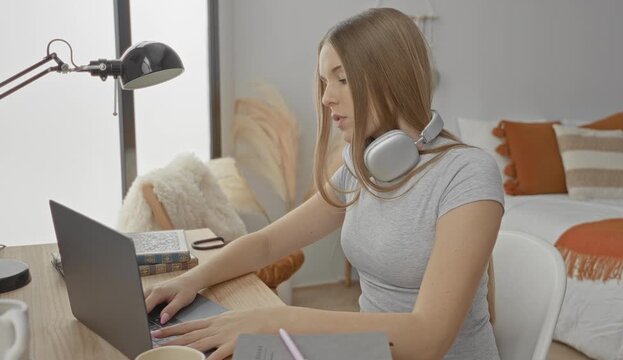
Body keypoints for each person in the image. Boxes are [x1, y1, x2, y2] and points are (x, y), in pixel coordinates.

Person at [145, 7, 504, 360]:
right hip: (367, 352)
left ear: (391, 78)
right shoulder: (363, 166)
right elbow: (269, 242)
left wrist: (280, 321)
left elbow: (428, 340)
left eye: (342, 79)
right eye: (324, 81)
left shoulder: (467, 174)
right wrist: (190, 281)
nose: (326, 96)